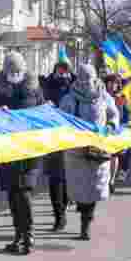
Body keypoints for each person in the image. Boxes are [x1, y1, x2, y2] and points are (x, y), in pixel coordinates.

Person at [0, 51, 44, 255]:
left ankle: (28, 235)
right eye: (11, 71)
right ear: (5, 71)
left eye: (18, 71)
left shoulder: (34, 87)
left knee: (23, 192)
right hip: (7, 149)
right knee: (13, 193)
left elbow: (43, 112)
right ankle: (18, 236)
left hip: (29, 149)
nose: (14, 74)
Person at [59, 64, 120, 241]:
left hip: (97, 150)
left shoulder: (104, 97)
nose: (86, 83)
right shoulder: (69, 99)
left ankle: (86, 224)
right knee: (79, 189)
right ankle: (83, 211)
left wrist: (110, 126)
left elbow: (113, 114)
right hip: (76, 152)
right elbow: (62, 120)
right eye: (82, 79)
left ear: (95, 79)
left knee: (93, 188)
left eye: (89, 79)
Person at [40, 59, 75, 231]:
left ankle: (67, 200)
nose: (62, 73)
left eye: (65, 70)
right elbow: (40, 104)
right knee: (55, 178)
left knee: (67, 175)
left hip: (71, 137)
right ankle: (59, 216)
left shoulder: (75, 84)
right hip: (53, 136)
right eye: (59, 71)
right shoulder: (48, 85)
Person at [103, 73, 131, 190]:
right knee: (105, 156)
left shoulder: (121, 96)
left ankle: (111, 181)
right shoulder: (101, 95)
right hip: (104, 129)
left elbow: (126, 113)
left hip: (117, 129)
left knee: (115, 155)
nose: (112, 85)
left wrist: (121, 103)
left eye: (115, 83)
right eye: (110, 82)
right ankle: (106, 179)